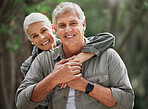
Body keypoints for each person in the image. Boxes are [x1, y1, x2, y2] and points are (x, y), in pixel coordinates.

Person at [16, 2, 134, 109]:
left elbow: (127, 102)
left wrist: (85, 85)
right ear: (56, 30)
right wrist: (54, 78)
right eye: (62, 25)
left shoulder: (108, 56)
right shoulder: (42, 59)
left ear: (83, 25)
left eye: (73, 23)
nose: (68, 30)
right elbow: (21, 103)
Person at [21, 12, 115, 77]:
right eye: (35, 36)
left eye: (44, 30)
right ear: (31, 40)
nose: (42, 38)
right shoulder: (28, 66)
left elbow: (108, 38)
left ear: (53, 29)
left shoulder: (69, 44)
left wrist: (80, 57)